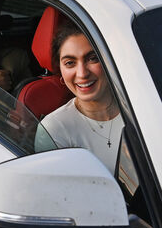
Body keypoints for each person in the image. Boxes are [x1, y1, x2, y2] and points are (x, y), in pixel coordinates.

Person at [36, 19, 123, 173]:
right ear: (61, 71)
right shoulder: (54, 129)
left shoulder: (140, 107)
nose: (82, 74)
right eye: (70, 63)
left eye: (92, 58)